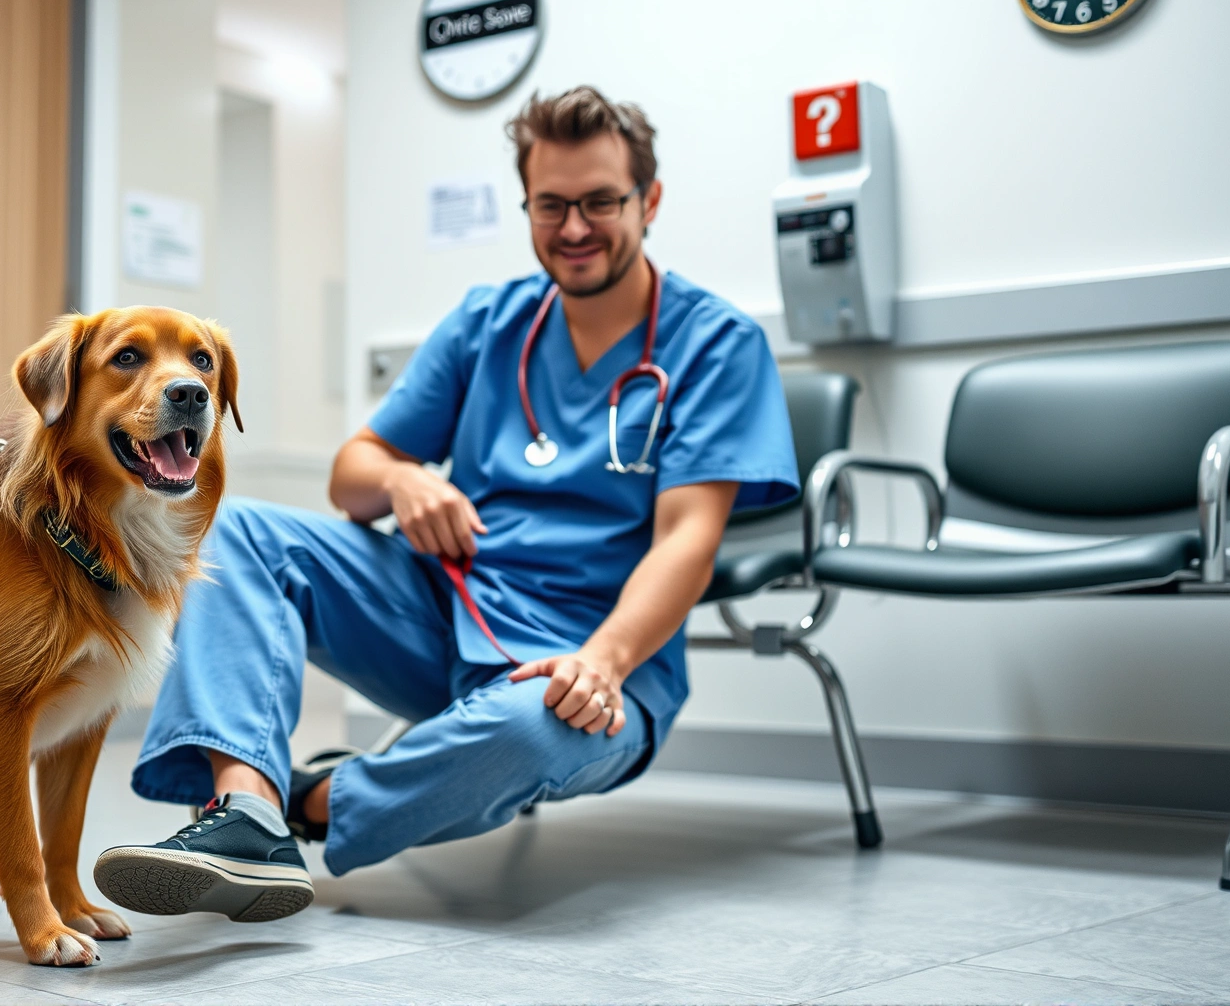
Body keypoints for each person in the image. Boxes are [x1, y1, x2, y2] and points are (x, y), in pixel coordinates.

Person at [93, 87, 799, 921]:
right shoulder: (488, 323)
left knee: (534, 726)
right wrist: (403, 480)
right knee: (241, 529)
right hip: (444, 611)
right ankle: (243, 809)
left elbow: (689, 538)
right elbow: (353, 472)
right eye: (551, 205)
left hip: (592, 656)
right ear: (528, 206)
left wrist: (602, 664)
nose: (574, 228)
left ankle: (304, 809)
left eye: (601, 202)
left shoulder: (716, 344)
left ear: (648, 200)